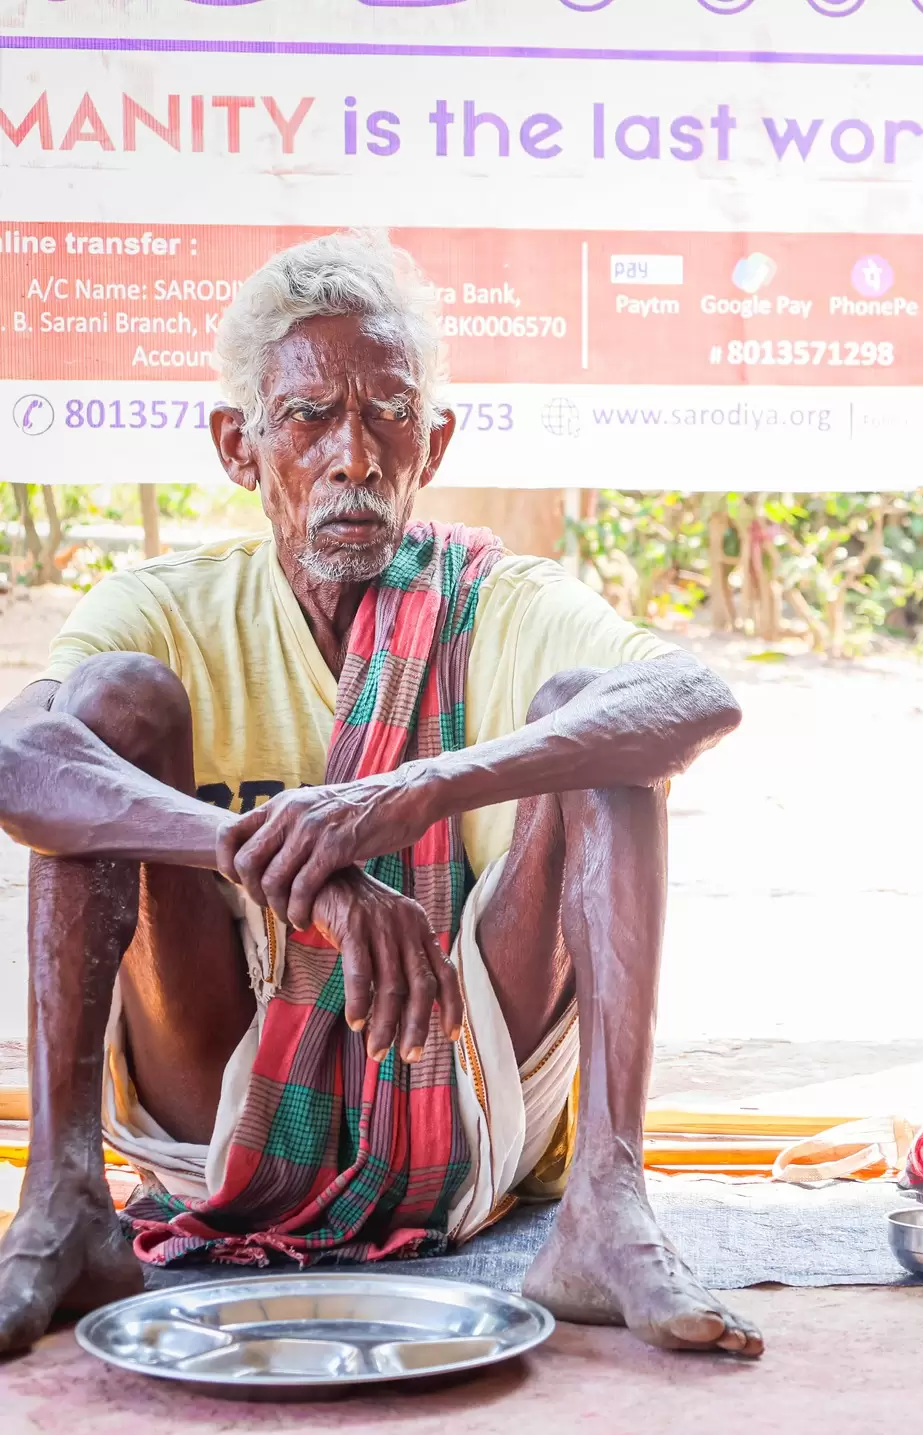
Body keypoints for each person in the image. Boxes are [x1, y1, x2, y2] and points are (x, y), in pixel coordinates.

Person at [0, 231, 762, 1358]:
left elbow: (695, 697)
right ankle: (62, 1199)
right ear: (240, 446)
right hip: (213, 1087)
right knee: (109, 707)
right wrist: (304, 871)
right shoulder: (166, 605)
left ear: (432, 442)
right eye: (308, 416)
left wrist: (415, 791)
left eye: (390, 414)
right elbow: (18, 762)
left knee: (596, 718)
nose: (353, 455)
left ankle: (607, 1207)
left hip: (466, 1074)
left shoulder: (494, 600)